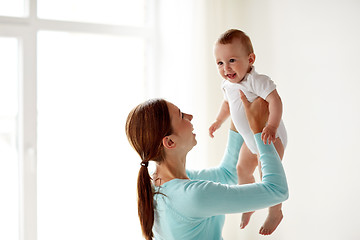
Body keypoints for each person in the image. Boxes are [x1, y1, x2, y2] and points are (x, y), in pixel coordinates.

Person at [125, 95, 288, 240]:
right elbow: (277, 191)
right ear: (170, 142)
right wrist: (259, 129)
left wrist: (238, 112)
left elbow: (227, 174)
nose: (190, 116)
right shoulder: (193, 195)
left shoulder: (161, 185)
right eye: (181, 116)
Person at [209, 29, 288, 235]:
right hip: (249, 139)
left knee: (267, 173)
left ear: (250, 59)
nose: (226, 68)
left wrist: (271, 126)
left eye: (232, 60)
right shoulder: (227, 84)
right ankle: (249, 204)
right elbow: (227, 104)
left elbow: (275, 101)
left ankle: (275, 211)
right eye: (220, 63)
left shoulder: (256, 80)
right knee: (241, 169)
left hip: (270, 137)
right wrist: (218, 121)